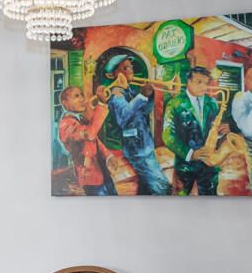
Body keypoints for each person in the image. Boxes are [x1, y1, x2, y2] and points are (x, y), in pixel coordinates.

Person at [101, 59, 170, 195]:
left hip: (144, 143)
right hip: (136, 147)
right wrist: (142, 96)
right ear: (113, 74)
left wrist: (150, 96)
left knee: (146, 185)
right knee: (161, 186)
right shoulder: (116, 95)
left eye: (131, 67)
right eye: (125, 68)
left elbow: (145, 111)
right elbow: (123, 118)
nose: (131, 70)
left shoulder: (130, 91)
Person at [162, 63, 222, 195]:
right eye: (199, 82)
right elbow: (168, 136)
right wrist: (190, 154)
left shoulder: (212, 103)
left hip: (209, 166)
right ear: (189, 81)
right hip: (185, 166)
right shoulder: (174, 104)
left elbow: (215, 129)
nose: (203, 87)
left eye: (206, 83)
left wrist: (221, 134)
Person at [56, 83, 114, 195]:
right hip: (89, 176)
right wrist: (102, 104)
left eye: (82, 95)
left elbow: (95, 141)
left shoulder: (80, 119)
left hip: (101, 170)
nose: (82, 99)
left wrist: (108, 156)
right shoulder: (65, 124)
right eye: (76, 96)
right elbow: (90, 134)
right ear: (65, 103)